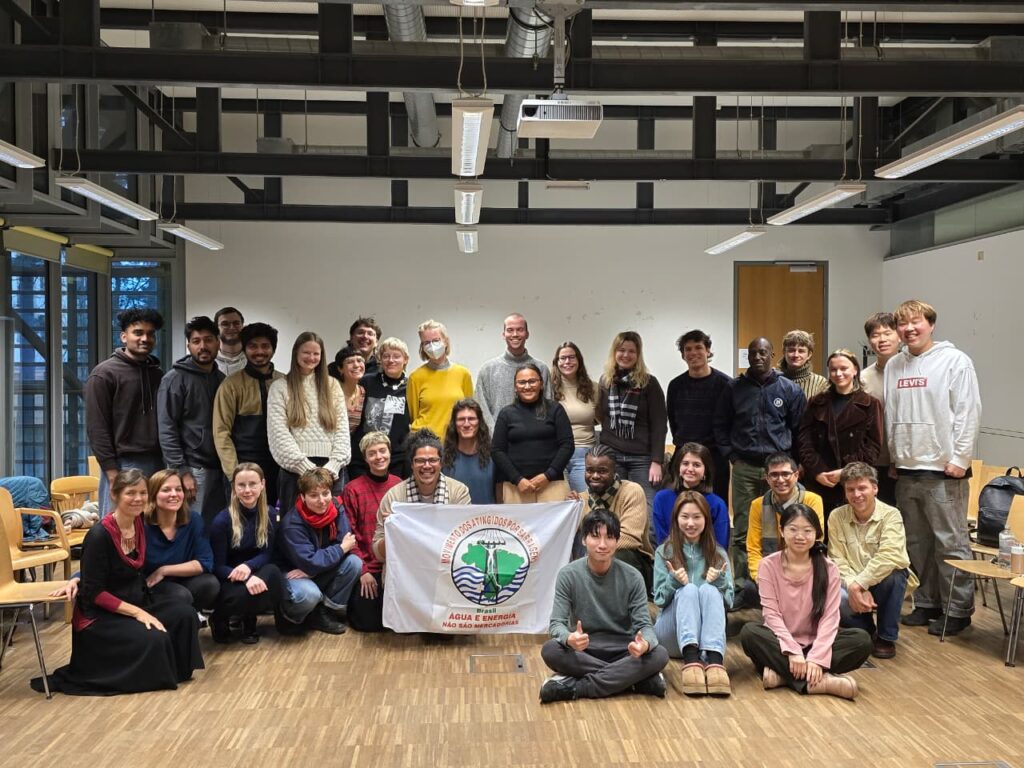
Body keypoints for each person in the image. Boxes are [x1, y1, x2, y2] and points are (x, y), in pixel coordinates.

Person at [32, 469, 203, 696]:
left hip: (137, 600)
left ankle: (175, 671)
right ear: (114, 495)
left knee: (185, 615)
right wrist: (137, 613)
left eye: (143, 493)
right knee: (156, 638)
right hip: (102, 616)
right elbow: (95, 593)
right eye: (131, 493)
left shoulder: (140, 521)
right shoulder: (99, 535)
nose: (138, 499)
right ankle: (152, 675)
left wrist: (140, 610)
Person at [885, 299, 981, 636]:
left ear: (931, 324)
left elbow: (968, 412)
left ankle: (958, 609)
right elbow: (891, 416)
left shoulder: (955, 361)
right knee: (917, 543)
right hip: (907, 469)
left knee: (950, 542)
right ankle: (926, 602)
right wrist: (895, 457)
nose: (909, 329)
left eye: (916, 322)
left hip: (944, 470)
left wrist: (960, 459)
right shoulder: (894, 366)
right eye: (903, 324)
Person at [739, 504, 872, 700]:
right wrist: (793, 652)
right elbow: (771, 614)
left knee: (862, 640)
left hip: (816, 644)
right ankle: (818, 683)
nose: (800, 536)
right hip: (780, 645)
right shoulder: (768, 565)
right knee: (750, 633)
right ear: (782, 531)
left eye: (807, 531)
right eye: (793, 529)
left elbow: (830, 618)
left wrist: (817, 658)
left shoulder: (829, 569)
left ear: (817, 534)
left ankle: (785, 676)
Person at [539, 509, 669, 703]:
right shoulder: (568, 574)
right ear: (583, 540)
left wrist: (645, 644)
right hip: (585, 648)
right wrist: (569, 638)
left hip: (624, 648)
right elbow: (556, 624)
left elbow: (645, 625)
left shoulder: (632, 576)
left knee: (659, 654)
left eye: (609, 537)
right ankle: (632, 680)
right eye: (595, 536)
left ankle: (576, 687)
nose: (602, 545)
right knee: (550, 650)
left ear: (617, 541)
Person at [714, 337, 805, 596]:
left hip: (779, 471)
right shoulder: (734, 389)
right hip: (745, 467)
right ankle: (745, 586)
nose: (757, 357)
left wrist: (794, 464)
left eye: (763, 352)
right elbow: (720, 425)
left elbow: (799, 430)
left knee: (783, 525)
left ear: (772, 354)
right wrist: (732, 456)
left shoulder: (789, 389)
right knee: (743, 528)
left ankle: (781, 583)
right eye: (753, 353)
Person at [828, 462, 914, 659]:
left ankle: (886, 636)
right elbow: (836, 559)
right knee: (830, 589)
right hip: (852, 580)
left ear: (875, 488)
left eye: (862, 488)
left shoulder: (891, 515)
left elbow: (890, 556)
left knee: (896, 575)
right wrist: (853, 585)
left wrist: (859, 584)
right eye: (850, 489)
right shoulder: (836, 516)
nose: (856, 494)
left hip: (880, 579)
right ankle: (865, 630)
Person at [86, 308, 165, 517]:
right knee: (118, 531)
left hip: (157, 461)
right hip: (123, 465)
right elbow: (97, 429)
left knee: (152, 529)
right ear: (124, 336)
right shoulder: (104, 374)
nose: (145, 338)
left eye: (150, 334)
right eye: (138, 333)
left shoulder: (158, 375)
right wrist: (112, 474)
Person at [653, 491, 733, 696]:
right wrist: (673, 581)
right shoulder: (664, 551)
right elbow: (659, 600)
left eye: (697, 517)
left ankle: (715, 661)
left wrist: (721, 581)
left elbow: (730, 602)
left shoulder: (719, 553)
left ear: (706, 519)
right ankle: (691, 660)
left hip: (707, 638)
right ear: (676, 519)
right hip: (671, 635)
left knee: (708, 589)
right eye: (685, 517)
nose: (691, 523)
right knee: (688, 590)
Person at [268, 331, 350, 516]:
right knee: (294, 528)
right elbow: (278, 433)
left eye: (316, 353)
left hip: (332, 471)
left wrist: (334, 465)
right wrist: (304, 467)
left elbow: (343, 430)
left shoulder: (332, 385)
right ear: (296, 353)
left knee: (331, 527)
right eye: (306, 352)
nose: (311, 357)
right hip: (294, 471)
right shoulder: (280, 387)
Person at [157, 315, 226, 527]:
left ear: (218, 342)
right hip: (193, 468)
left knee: (214, 526)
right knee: (191, 525)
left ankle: (208, 562)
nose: (203, 346)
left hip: (220, 467)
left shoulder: (221, 379)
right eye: (196, 341)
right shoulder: (175, 379)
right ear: (189, 345)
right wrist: (182, 471)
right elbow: (166, 428)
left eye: (208, 340)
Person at [276, 468, 362, 635]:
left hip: (313, 571)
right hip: (293, 574)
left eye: (325, 493)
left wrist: (313, 570)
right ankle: (290, 616)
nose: (322, 500)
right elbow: (314, 560)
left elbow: (346, 542)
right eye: (314, 495)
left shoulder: (337, 507)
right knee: (309, 595)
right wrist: (336, 552)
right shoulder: (292, 524)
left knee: (354, 563)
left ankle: (324, 612)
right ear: (302, 497)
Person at [797, 349, 882, 515]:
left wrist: (845, 472)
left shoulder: (870, 404)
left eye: (844, 368)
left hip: (853, 481)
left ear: (855, 370)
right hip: (819, 480)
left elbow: (873, 446)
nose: (838, 373)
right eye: (834, 369)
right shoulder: (816, 402)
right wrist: (818, 471)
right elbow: (804, 441)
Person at [208, 463, 284, 644]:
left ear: (263, 484)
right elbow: (217, 566)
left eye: (253, 484)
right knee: (244, 593)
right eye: (241, 485)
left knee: (273, 573)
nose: (247, 490)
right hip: (230, 576)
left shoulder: (272, 515)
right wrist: (245, 577)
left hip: (255, 571)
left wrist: (249, 567)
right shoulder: (222, 520)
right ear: (234, 486)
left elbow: (267, 554)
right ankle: (219, 618)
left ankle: (250, 619)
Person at [372, 429, 472, 565]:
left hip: (444, 570)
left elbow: (464, 541)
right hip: (406, 571)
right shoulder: (394, 497)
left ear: (441, 463)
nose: (426, 466)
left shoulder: (459, 492)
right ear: (412, 464)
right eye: (420, 461)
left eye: (432, 460)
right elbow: (379, 555)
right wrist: (392, 532)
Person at [212, 322, 285, 508]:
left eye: (265, 346)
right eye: (253, 346)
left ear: (273, 349)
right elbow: (221, 432)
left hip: (280, 468)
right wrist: (234, 473)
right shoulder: (231, 385)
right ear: (244, 349)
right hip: (244, 468)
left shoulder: (285, 382)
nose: (259, 351)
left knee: (276, 522)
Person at [742, 453, 825, 610]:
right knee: (750, 589)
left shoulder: (812, 500)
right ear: (767, 478)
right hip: (771, 568)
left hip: (803, 567)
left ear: (796, 475)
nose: (780, 480)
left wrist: (791, 577)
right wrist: (763, 578)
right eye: (774, 475)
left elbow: (816, 541)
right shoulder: (757, 505)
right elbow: (753, 549)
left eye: (785, 474)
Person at [596, 331, 667, 511]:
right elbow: (600, 416)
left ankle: (646, 541)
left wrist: (657, 462)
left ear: (638, 355)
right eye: (621, 350)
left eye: (631, 351)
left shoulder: (649, 384)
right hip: (612, 457)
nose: (626, 355)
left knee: (646, 509)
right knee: (612, 509)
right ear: (614, 352)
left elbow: (659, 425)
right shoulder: (605, 382)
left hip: (642, 459)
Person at [573, 445, 653, 593]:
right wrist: (570, 509)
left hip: (632, 561)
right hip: (596, 561)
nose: (595, 476)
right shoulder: (582, 499)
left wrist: (595, 550)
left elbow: (630, 538)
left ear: (614, 471)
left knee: (614, 555)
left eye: (602, 471)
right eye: (589, 470)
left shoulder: (632, 491)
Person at [342, 431, 401, 632]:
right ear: (365, 458)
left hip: (395, 566)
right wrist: (363, 570)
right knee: (368, 624)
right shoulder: (353, 489)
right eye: (372, 453)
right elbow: (349, 534)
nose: (379, 457)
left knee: (399, 624)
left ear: (390, 453)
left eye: (382, 451)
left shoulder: (399, 485)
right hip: (368, 566)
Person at [666, 330, 733, 503]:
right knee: (682, 506)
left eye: (698, 347)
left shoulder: (725, 384)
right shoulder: (675, 385)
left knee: (715, 505)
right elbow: (673, 421)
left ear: (708, 351)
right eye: (688, 349)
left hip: (715, 457)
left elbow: (730, 421)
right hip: (683, 455)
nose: (693, 353)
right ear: (683, 355)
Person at [493, 363, 574, 504]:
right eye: (522, 382)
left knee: (554, 526)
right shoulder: (506, 413)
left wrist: (548, 475)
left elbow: (567, 445)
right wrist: (517, 479)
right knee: (518, 526)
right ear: (515, 387)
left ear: (541, 384)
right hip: (516, 487)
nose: (527, 386)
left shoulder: (555, 409)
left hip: (552, 484)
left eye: (532, 381)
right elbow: (497, 450)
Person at [143, 469, 219, 612]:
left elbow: (205, 563)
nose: (174, 494)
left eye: (178, 489)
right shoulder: (142, 524)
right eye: (166, 490)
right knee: (181, 596)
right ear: (153, 495)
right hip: (152, 584)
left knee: (210, 584)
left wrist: (164, 570)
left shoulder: (193, 519)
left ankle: (188, 618)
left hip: (179, 578)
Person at [349, 337, 411, 480]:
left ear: (405, 359)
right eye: (386, 356)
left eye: (396, 356)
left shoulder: (410, 387)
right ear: (380, 359)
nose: (391, 360)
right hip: (362, 459)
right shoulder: (366, 381)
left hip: (396, 460)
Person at [475, 313, 551, 429]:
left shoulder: (541, 369)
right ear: (503, 334)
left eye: (520, 330)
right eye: (510, 330)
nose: (515, 334)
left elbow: (548, 407)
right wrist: (496, 435)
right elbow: (481, 408)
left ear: (527, 334)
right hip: (497, 442)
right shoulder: (488, 370)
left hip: (535, 439)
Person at [652, 442, 729, 549]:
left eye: (696, 465)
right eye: (685, 463)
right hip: (670, 559)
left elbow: (720, 546)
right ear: (678, 467)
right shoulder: (662, 499)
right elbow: (662, 540)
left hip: (707, 561)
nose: (690, 469)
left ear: (705, 471)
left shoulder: (717, 504)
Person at [407, 319, 473, 440]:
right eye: (426, 343)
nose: (432, 346)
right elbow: (413, 415)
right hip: (425, 444)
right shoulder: (415, 377)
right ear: (422, 347)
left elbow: (469, 411)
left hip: (455, 443)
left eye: (436, 340)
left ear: (446, 341)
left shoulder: (463, 374)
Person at [860, 312, 901, 504]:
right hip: (874, 462)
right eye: (875, 335)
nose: (882, 339)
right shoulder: (862, 378)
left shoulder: (913, 373)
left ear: (899, 335)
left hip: (906, 462)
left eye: (887, 333)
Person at [551, 341, 599, 493]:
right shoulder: (548, 389)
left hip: (583, 455)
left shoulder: (593, 388)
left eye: (572, 357)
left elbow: (600, 418)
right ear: (556, 362)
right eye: (562, 358)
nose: (567, 362)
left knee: (584, 502)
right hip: (555, 454)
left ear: (579, 360)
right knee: (560, 506)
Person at [443, 399, 498, 505]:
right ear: (454, 424)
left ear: (479, 422)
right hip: (455, 519)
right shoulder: (443, 458)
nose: (466, 424)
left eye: (471, 419)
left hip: (487, 519)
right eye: (461, 419)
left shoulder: (493, 456)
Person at [778, 329, 829, 401]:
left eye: (801, 351)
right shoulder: (774, 379)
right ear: (784, 352)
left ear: (809, 354)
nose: (796, 355)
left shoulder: (819, 383)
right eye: (791, 350)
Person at [330, 345, 366, 434]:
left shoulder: (363, 392)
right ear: (340, 369)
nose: (356, 365)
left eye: (359, 360)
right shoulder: (332, 391)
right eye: (350, 362)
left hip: (349, 445)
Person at [214, 306, 246, 377]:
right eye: (225, 324)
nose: (232, 327)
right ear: (216, 329)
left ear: (242, 326)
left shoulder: (252, 359)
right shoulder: (210, 361)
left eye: (236, 323)